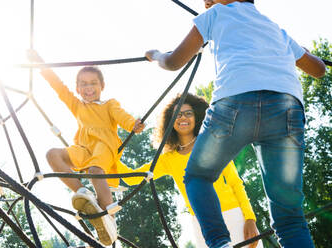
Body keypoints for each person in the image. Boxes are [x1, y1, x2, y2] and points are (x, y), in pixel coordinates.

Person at [144, 0, 326, 247]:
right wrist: (295, 50)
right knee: (290, 218)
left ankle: (220, 243)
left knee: (198, 176)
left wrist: (155, 56)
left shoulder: (215, 14)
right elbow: (319, 69)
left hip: (237, 101)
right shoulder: (276, 30)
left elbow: (174, 61)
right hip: (286, 109)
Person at [27, 50, 145, 246]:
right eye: (83, 84)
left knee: (95, 171)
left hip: (104, 146)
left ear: (102, 86)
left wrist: (133, 124)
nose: (88, 88)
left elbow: (121, 116)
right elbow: (58, 87)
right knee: (53, 155)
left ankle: (109, 219)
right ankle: (84, 193)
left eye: (93, 83)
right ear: (78, 88)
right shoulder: (77, 105)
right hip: (83, 147)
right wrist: (40, 64)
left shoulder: (109, 103)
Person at [118, 93, 262, 248]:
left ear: (198, 117)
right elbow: (132, 178)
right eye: (177, 115)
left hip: (234, 216)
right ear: (170, 121)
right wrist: (110, 154)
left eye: (188, 113)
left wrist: (250, 219)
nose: (183, 118)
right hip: (202, 224)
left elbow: (235, 183)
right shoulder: (168, 159)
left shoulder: (212, 145)